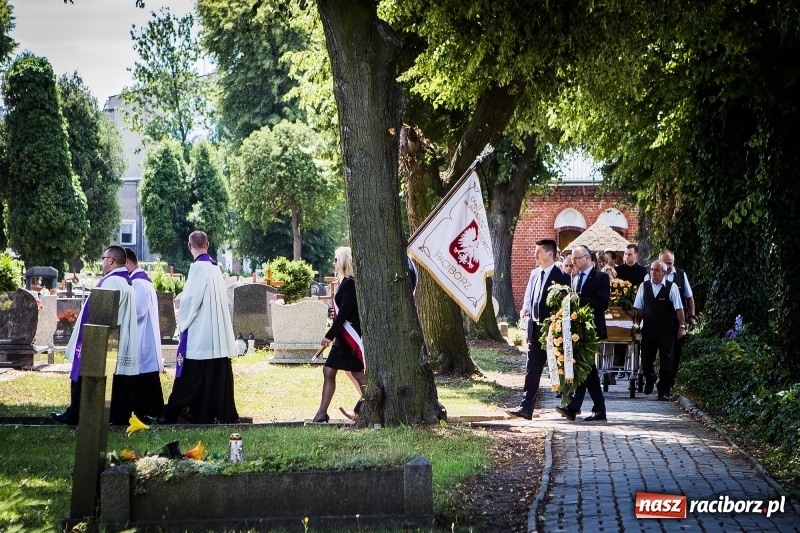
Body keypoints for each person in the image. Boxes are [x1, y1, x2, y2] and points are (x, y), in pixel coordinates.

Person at [154, 231, 238, 424]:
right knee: (214, 373)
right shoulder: (215, 267)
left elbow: (191, 300)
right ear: (207, 244)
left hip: (201, 332)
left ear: (189, 246)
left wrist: (182, 322)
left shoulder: (198, 268)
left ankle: (174, 412)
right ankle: (210, 411)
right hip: (215, 332)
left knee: (191, 375)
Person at [52, 245, 139, 425]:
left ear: (110, 260)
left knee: (86, 379)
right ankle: (109, 416)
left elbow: (99, 316)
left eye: (103, 258)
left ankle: (76, 414)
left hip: (99, 342)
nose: (102, 262)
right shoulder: (125, 281)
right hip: (116, 340)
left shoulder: (112, 281)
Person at [508, 240, 571, 420]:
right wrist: (525, 310)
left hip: (552, 329)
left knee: (559, 367)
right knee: (532, 369)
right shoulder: (535, 274)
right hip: (535, 328)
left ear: (549, 254)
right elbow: (529, 296)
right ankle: (526, 408)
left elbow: (565, 304)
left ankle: (569, 404)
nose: (535, 255)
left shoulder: (561, 276)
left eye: (538, 252)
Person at [556, 245, 610, 422]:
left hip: (592, 329)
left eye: (577, 258)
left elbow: (602, 303)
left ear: (587, 258)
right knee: (589, 370)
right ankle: (599, 409)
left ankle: (573, 407)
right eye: (572, 259)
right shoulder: (575, 278)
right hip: (577, 329)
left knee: (585, 366)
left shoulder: (600, 277)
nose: (574, 262)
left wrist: (581, 300)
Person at [312, 246, 366, 423]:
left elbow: (344, 312)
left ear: (343, 261)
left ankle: (370, 402)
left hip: (349, 337)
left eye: (336, 260)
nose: (333, 263)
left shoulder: (350, 283)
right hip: (343, 336)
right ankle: (321, 413)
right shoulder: (344, 282)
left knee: (356, 373)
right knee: (329, 370)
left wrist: (329, 335)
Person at [633, 260, 686, 401]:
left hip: (666, 331)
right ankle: (650, 378)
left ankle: (663, 391)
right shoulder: (644, 287)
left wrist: (682, 326)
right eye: (651, 270)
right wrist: (636, 326)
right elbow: (639, 308)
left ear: (664, 272)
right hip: (649, 329)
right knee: (645, 359)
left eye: (656, 270)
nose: (653, 272)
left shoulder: (671, 287)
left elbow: (679, 309)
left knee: (667, 363)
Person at [124, 248, 165, 419]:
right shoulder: (140, 280)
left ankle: (150, 412)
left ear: (128, 263)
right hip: (143, 337)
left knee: (145, 378)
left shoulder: (139, 283)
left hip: (142, 338)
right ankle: (148, 411)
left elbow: (138, 310)